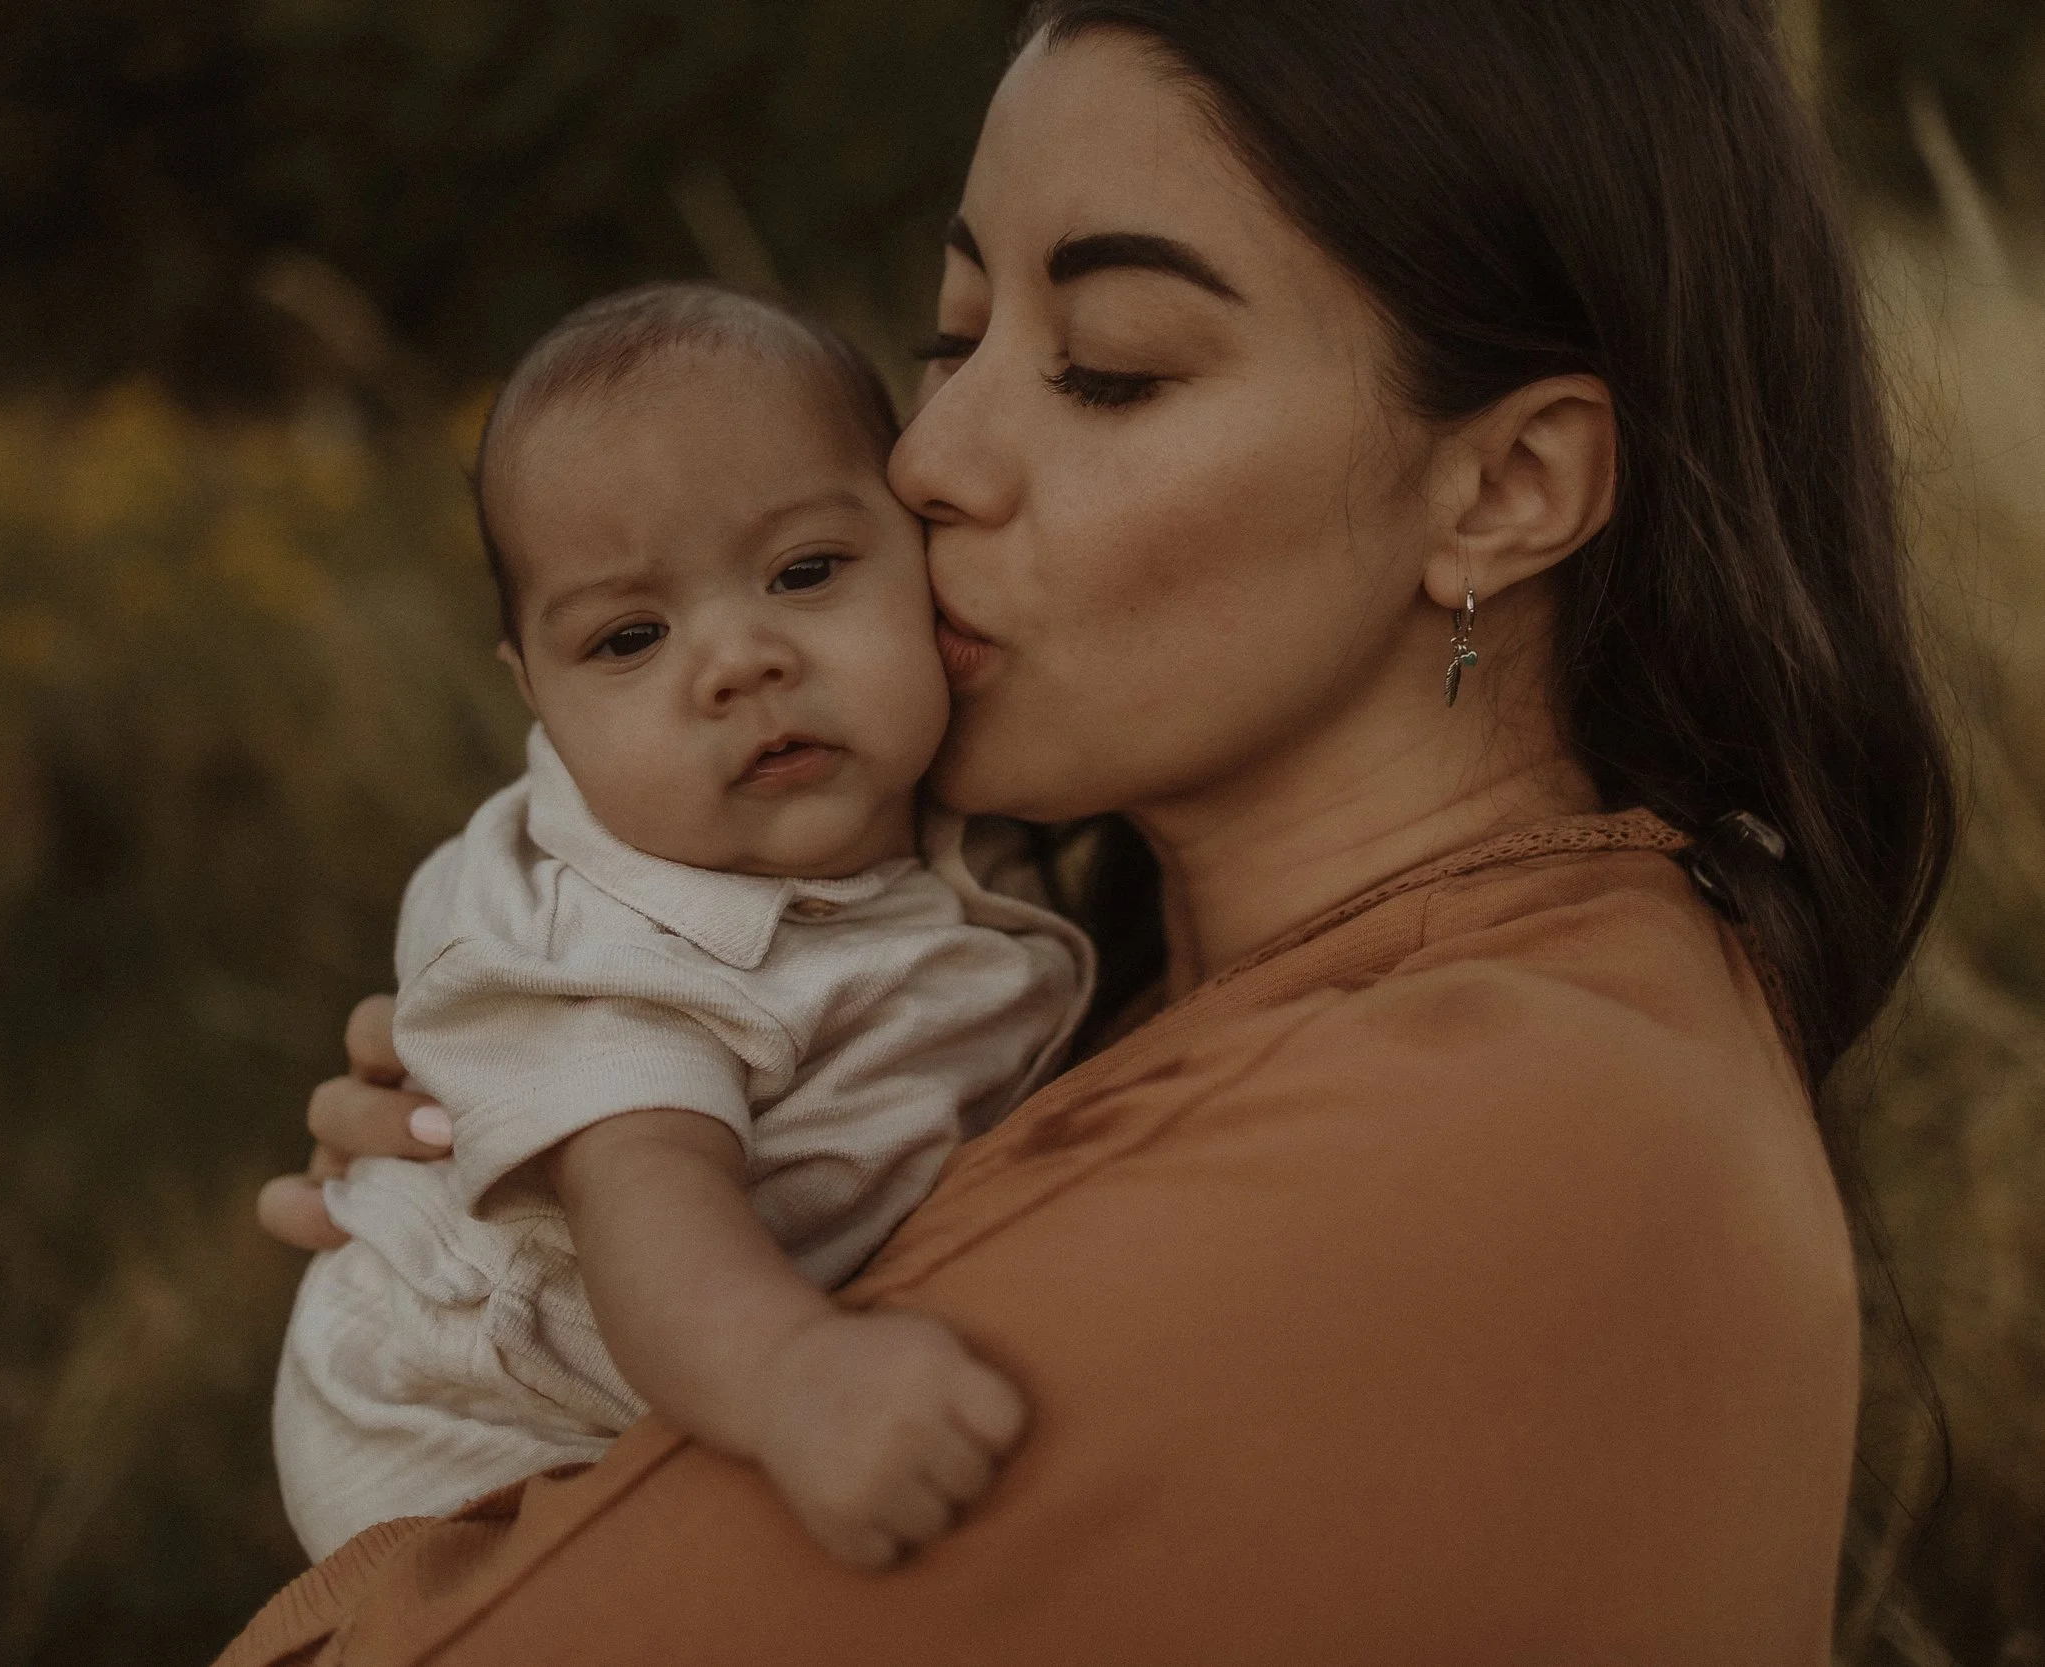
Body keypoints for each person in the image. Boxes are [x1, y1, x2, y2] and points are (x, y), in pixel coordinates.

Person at [235, 0, 1955, 1660]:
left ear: (1504, 489)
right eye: (951, 341)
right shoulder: (1236, 1002)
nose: (926, 460)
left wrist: (448, 1461)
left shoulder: (1493, 1125)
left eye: (1109, 370)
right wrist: (520, 1206)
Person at [273, 281, 1091, 1568]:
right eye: (630, 637)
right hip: (475, 1419)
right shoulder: (609, 940)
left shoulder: (965, 803)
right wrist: (795, 1374)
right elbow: (649, 1205)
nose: (736, 660)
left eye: (807, 570)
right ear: (532, 692)